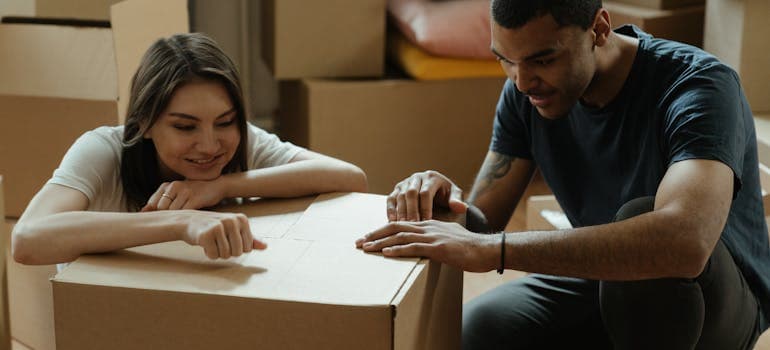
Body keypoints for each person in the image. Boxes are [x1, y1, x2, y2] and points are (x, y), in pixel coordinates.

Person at [357, 1, 770, 348]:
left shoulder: (698, 86)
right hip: (601, 279)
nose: (521, 81)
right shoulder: (527, 93)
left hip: (710, 296)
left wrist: (496, 250)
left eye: (543, 59)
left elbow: (685, 243)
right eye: (506, 60)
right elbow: (481, 223)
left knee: (642, 224)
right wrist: (442, 201)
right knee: (475, 330)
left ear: (599, 29)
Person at [12, 33, 367, 265]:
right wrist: (181, 221)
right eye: (185, 126)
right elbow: (27, 240)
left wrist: (219, 186)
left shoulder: (242, 139)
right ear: (145, 123)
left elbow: (349, 177)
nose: (210, 145)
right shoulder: (104, 150)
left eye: (225, 122)